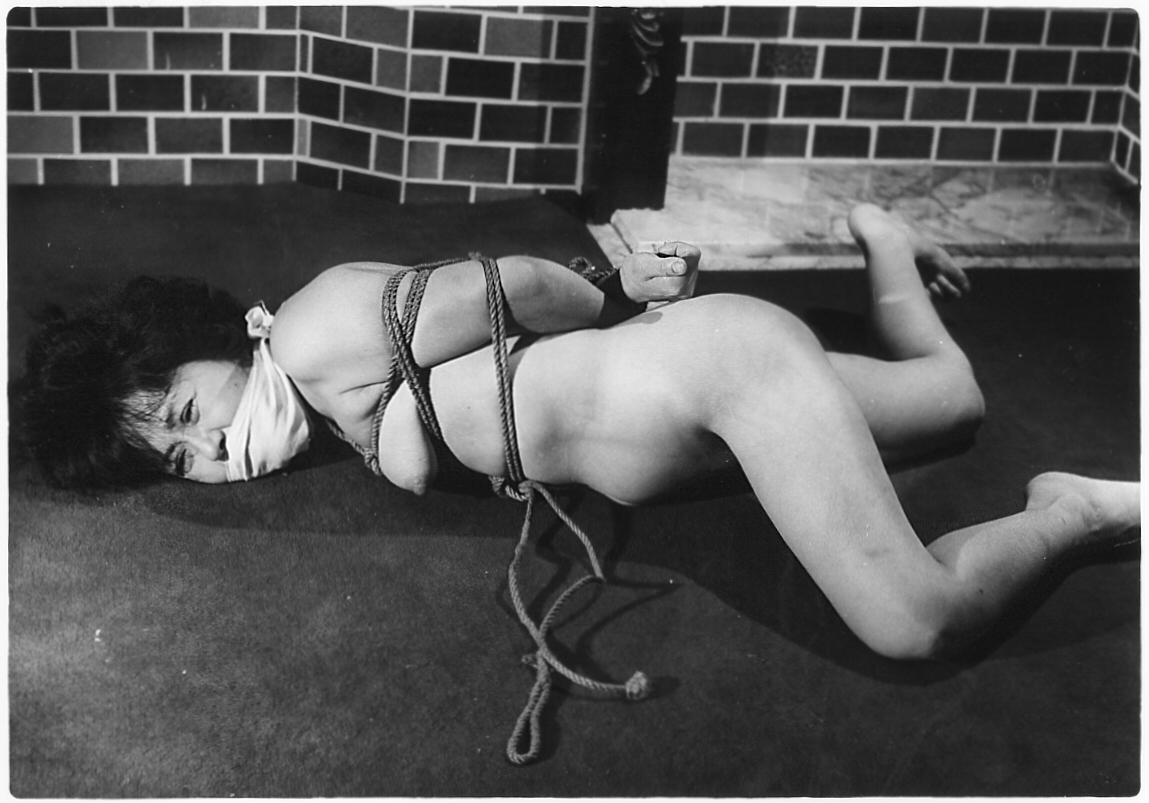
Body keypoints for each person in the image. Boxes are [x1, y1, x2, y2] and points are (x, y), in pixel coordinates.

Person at [20, 204, 1139, 663]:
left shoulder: (315, 335)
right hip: (702, 415)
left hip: (723, 373)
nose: (213, 452)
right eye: (182, 461)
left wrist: (611, 287)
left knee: (916, 622)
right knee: (952, 402)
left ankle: (1071, 511)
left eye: (189, 413)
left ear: (218, 340)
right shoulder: (315, 398)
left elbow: (520, 286)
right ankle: (886, 241)